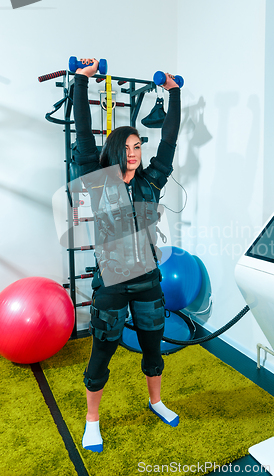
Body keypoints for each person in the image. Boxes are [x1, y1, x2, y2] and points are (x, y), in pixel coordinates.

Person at [72, 59, 181, 453]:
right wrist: (81, 83)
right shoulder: (97, 181)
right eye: (128, 147)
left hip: (149, 280)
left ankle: (156, 401)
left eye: (138, 147)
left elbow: (169, 140)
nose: (134, 153)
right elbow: (84, 134)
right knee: (102, 351)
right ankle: (92, 422)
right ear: (116, 150)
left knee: (154, 348)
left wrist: (174, 93)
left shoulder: (152, 180)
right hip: (113, 285)